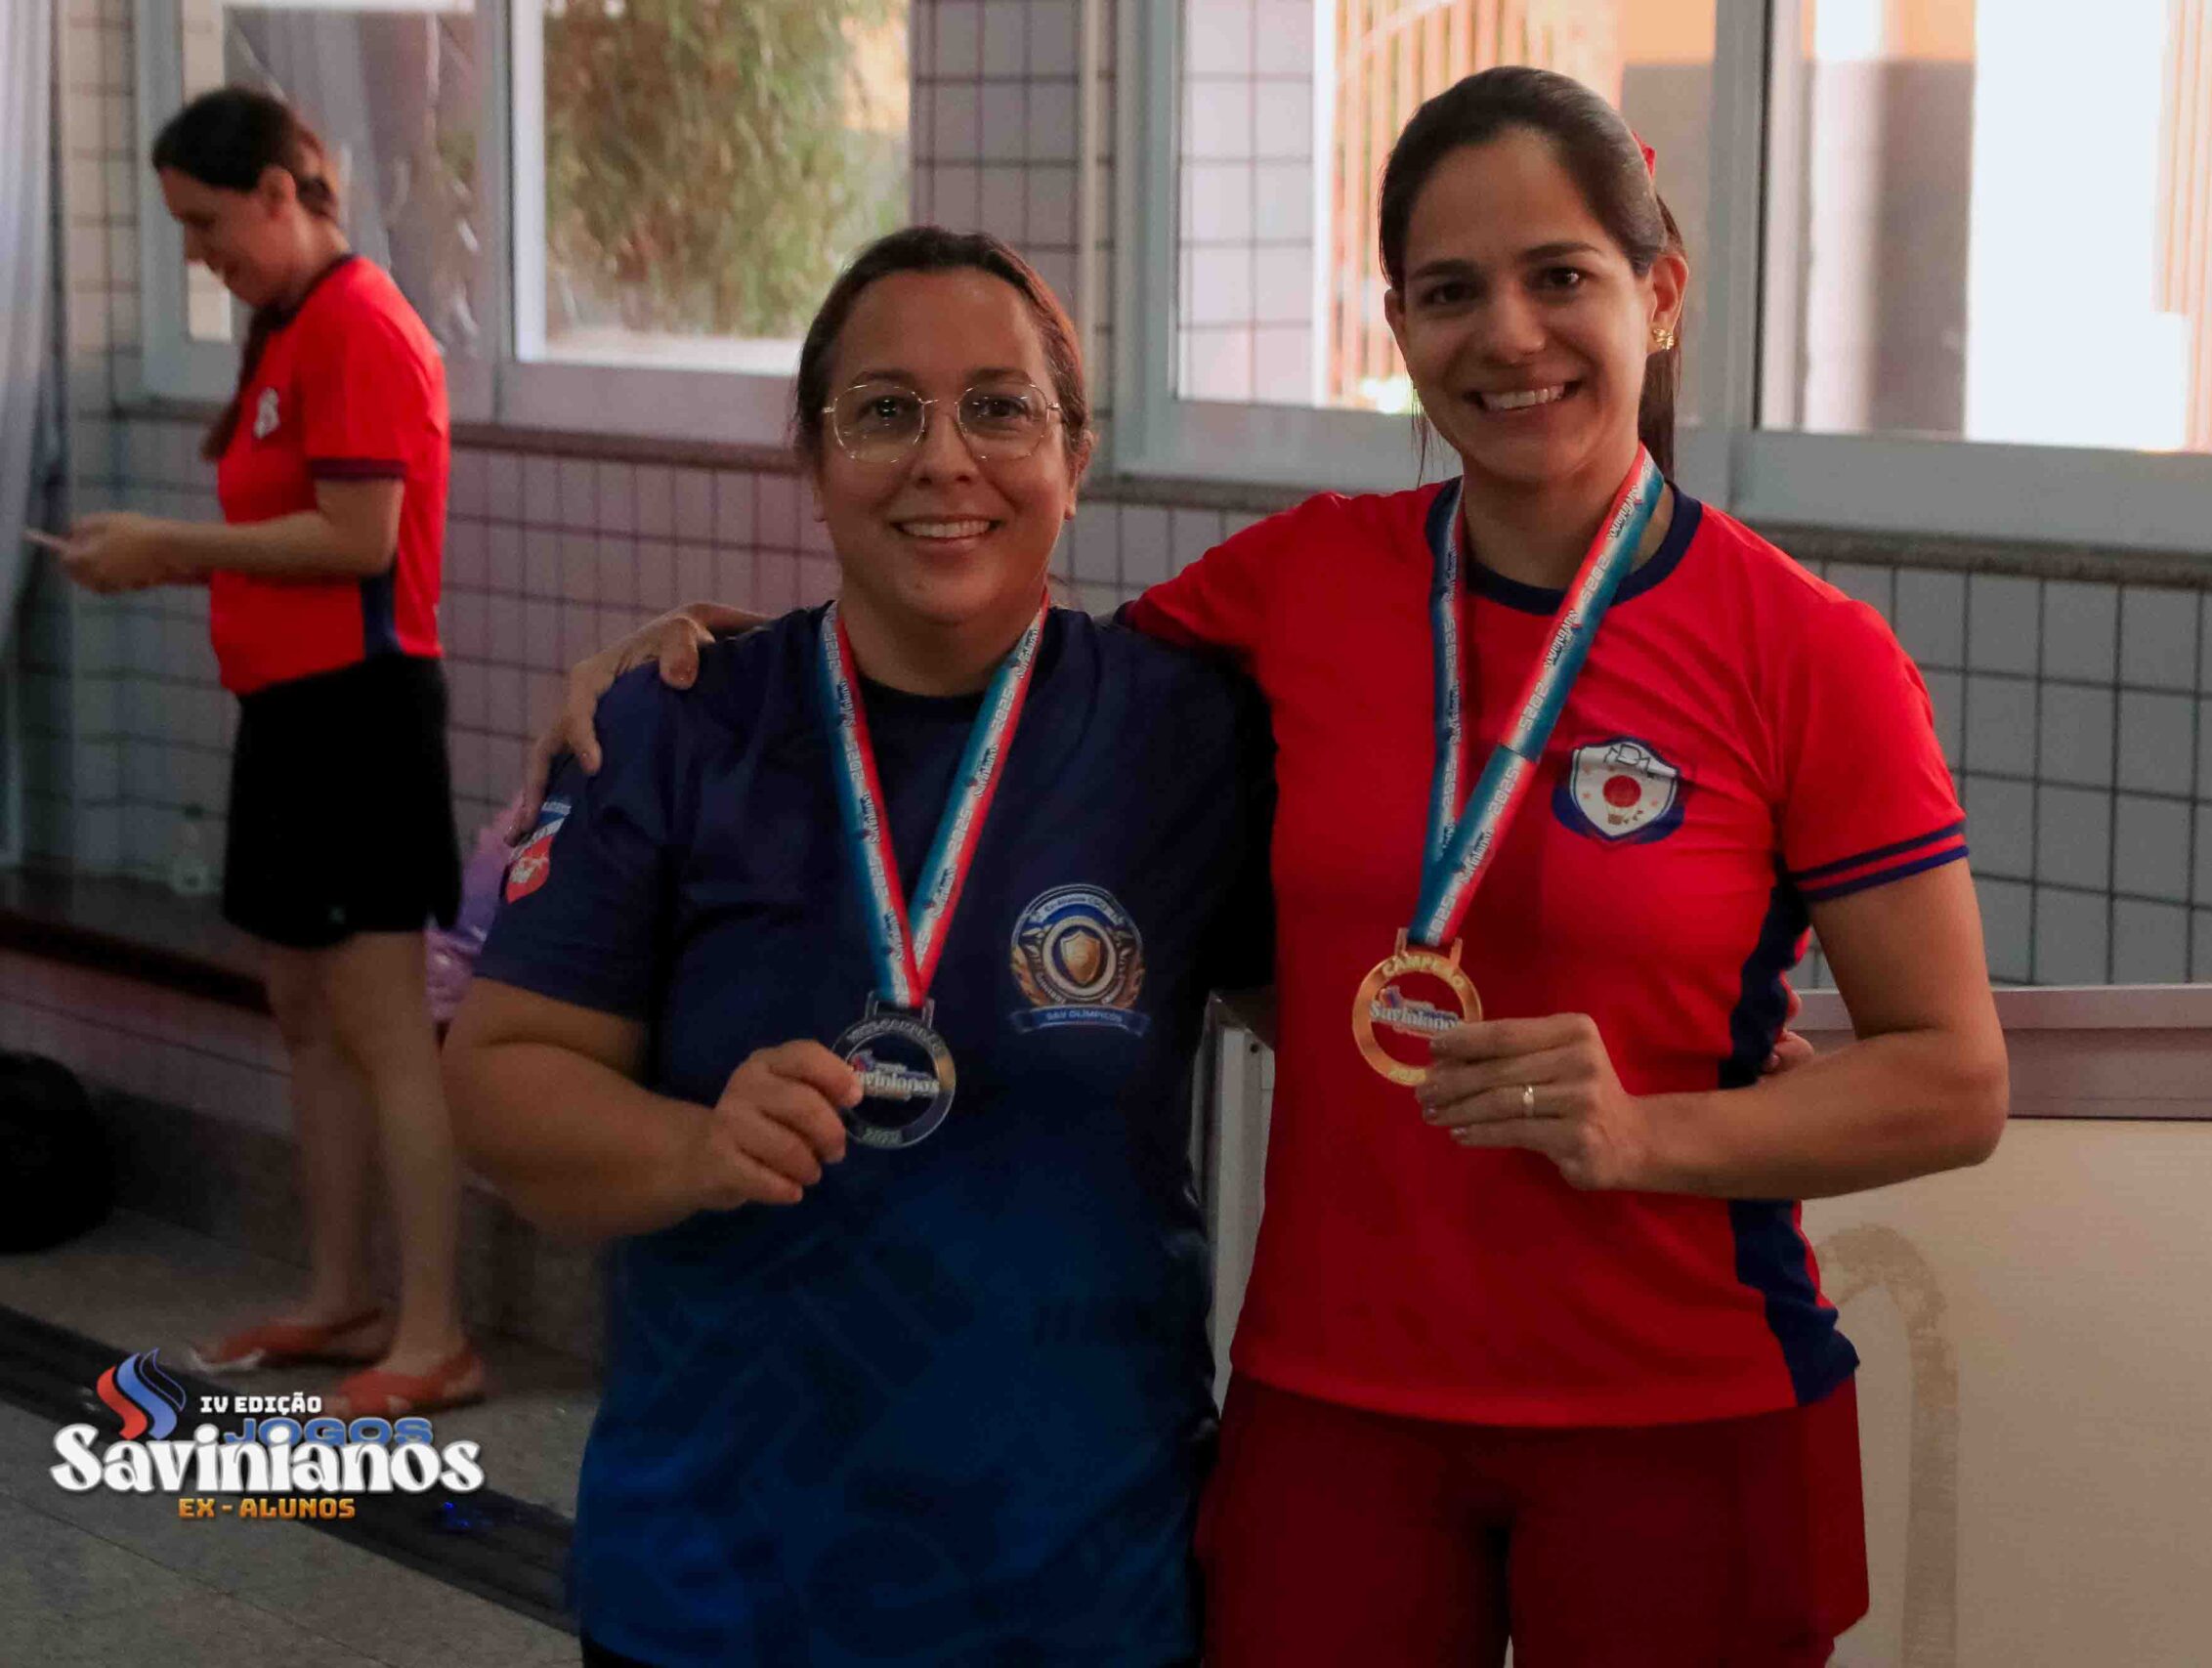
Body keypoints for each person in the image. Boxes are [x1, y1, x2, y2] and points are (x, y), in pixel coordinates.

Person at [533, 67, 2001, 1665]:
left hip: (1679, 1395)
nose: (1508, 335)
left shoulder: (1810, 657)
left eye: (1560, 276)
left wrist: (1656, 1130)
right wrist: (719, 662)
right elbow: (993, 676)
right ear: (1401, 325)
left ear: (1657, 296)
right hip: (1340, 1408)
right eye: (1452, 291)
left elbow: (1952, 1079)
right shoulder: (1302, 585)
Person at [442, 228, 1273, 1667]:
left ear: (1075, 459)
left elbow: (1354, 1013)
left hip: (1078, 1584)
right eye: (885, 411)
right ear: (816, 464)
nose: (945, 459)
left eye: (1001, 409)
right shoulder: (676, 727)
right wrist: (696, 1146)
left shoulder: (1179, 738)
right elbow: (499, 1077)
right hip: (721, 1586)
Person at [61, 87, 479, 1418]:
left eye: (206, 223)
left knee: (383, 1027)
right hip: (290, 716)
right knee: (303, 1013)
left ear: (281, 195)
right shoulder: (289, 324)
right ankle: (341, 1294)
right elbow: (282, 533)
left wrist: (170, 546)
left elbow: (360, 540)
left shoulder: (360, 323)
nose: (197, 254)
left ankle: (436, 1334)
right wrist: (158, 560)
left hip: (363, 716)